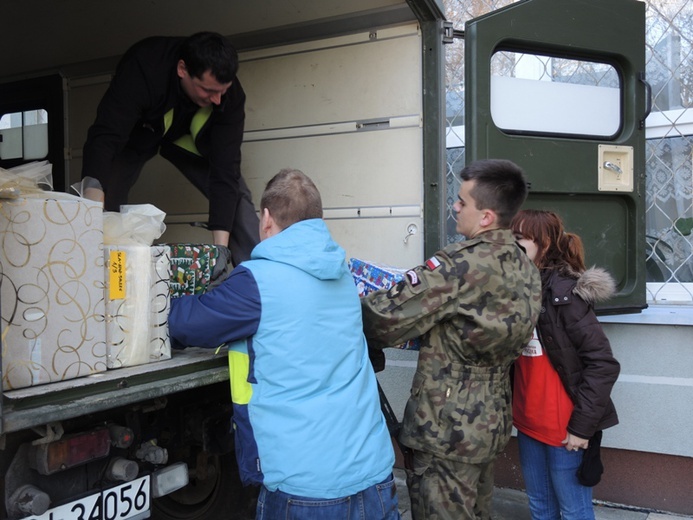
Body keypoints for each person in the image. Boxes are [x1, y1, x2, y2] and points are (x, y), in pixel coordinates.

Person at [168, 168, 400, 520]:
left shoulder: (257, 282)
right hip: (374, 476)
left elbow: (187, 323)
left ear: (266, 219)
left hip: (305, 487)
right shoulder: (342, 274)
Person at [361, 159, 543, 520]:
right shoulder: (524, 264)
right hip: (489, 422)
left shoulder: (460, 264)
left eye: (462, 201)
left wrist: (349, 300)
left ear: (487, 216)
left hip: (445, 426)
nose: (455, 207)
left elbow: (383, 319)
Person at [81, 31, 259, 266]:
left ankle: (256, 277)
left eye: (222, 91)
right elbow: (104, 139)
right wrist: (91, 213)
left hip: (189, 140)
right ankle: (101, 269)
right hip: (140, 132)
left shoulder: (229, 95)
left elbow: (225, 172)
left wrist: (220, 253)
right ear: (182, 69)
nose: (217, 99)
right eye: (208, 90)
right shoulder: (143, 66)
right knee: (106, 194)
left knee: (236, 196)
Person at [510, 209, 620, 520]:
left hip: (565, 431)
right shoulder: (518, 290)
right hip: (528, 422)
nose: (511, 245)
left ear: (543, 243)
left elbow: (603, 364)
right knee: (540, 509)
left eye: (519, 238)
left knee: (574, 512)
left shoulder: (565, 295)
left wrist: (581, 428)